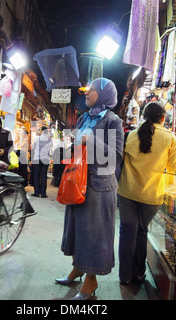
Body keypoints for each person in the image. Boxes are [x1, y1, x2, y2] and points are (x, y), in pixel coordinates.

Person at [56, 78, 124, 300]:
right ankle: (78, 268)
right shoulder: (85, 117)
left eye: (92, 89)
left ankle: (91, 281)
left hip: (99, 188)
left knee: (94, 235)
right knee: (77, 230)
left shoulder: (113, 121)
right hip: (78, 182)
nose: (87, 92)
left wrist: (90, 140)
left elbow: (116, 156)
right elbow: (77, 146)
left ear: (104, 94)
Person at [117, 101, 176, 286]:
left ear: (144, 116)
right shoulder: (169, 137)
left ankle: (124, 276)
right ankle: (139, 273)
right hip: (152, 195)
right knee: (141, 231)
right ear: (163, 117)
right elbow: (174, 169)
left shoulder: (130, 135)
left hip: (127, 192)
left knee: (127, 232)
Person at [31, 126, 52, 198]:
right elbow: (50, 149)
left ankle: (36, 192)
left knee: (36, 176)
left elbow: (33, 148)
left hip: (37, 159)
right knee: (43, 177)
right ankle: (43, 193)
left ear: (42, 131)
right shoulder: (50, 140)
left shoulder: (37, 139)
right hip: (45, 159)